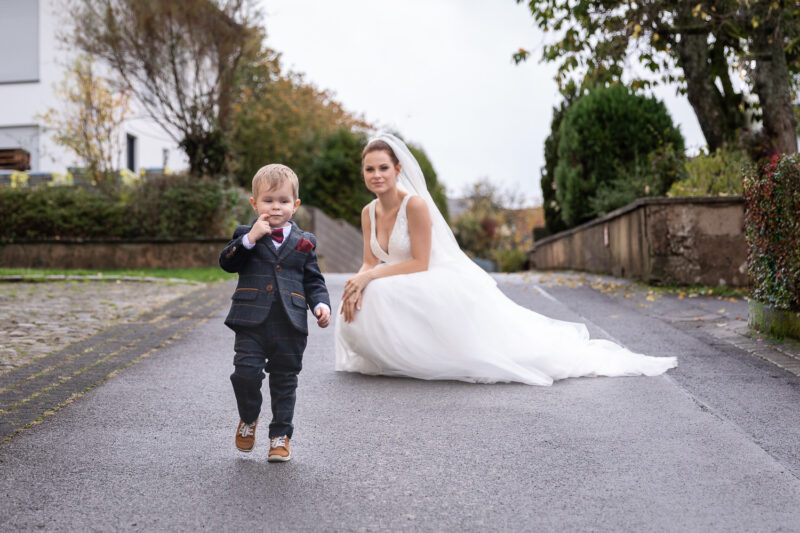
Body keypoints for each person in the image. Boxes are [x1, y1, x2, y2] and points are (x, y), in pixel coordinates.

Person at [334, 133, 676, 385]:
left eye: (382, 168)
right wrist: (357, 282)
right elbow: (369, 260)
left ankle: (421, 354)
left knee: (377, 290)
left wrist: (371, 279)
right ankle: (390, 353)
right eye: (369, 169)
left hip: (429, 277)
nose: (376, 175)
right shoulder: (368, 212)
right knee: (358, 295)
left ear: (396, 169)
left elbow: (420, 263)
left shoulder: (416, 206)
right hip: (396, 277)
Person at [220, 163, 331, 462]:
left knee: (284, 381)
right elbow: (227, 262)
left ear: (294, 205)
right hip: (250, 321)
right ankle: (249, 416)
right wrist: (250, 238)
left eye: (283, 201)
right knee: (245, 374)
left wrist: (321, 304)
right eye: (268, 201)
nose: (276, 207)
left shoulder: (305, 242)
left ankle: (280, 435)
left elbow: (313, 280)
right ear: (255, 203)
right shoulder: (246, 235)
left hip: (290, 323)